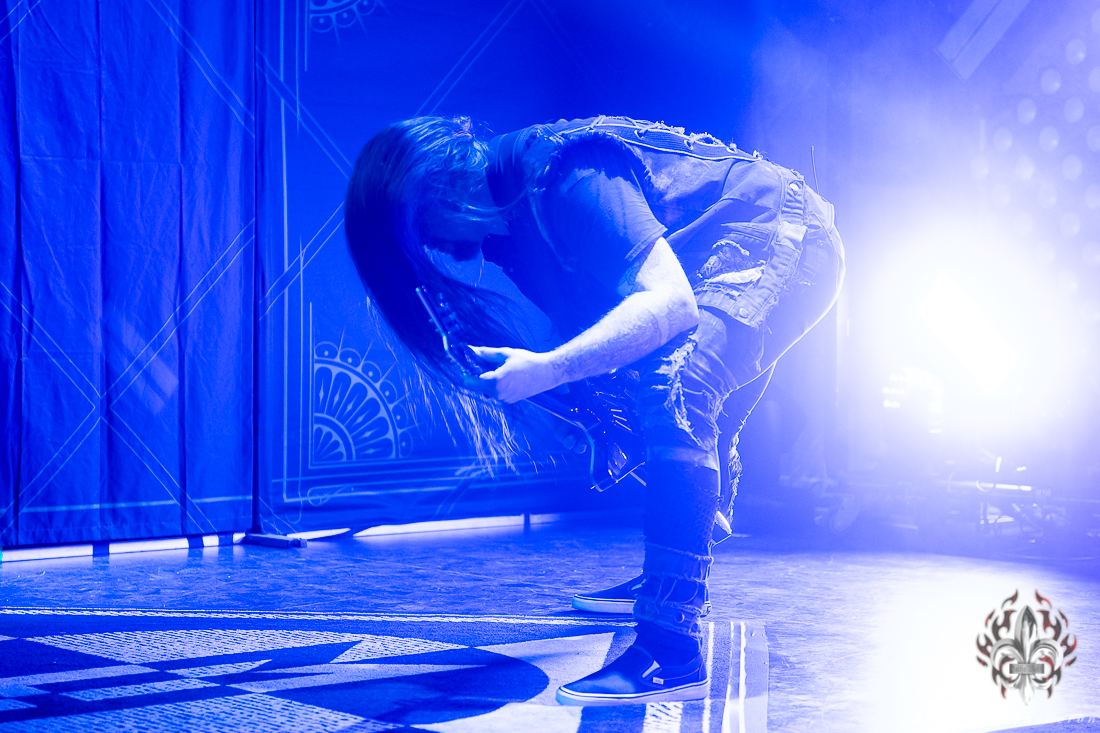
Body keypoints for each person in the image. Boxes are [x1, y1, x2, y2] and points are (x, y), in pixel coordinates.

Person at [344, 115, 844, 705]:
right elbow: (605, 336)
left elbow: (671, 303)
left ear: (441, 187)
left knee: (679, 386)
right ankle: (673, 567)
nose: (431, 250)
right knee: (625, 388)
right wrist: (556, 392)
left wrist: (550, 369)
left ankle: (672, 646)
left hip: (781, 234)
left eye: (421, 232)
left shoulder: (564, 177)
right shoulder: (509, 230)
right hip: (710, 258)